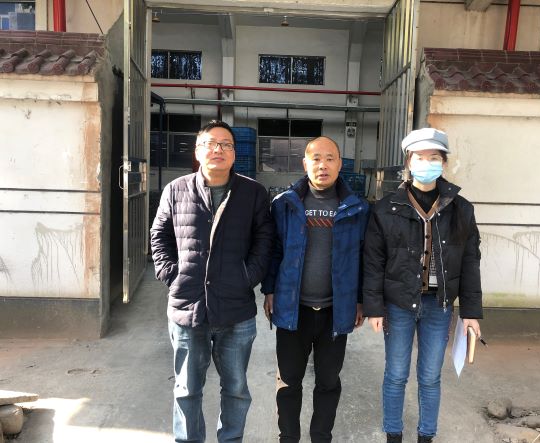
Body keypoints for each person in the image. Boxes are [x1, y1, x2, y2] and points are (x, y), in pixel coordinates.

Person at [150, 120, 274, 443]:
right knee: (187, 389)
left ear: (234, 154)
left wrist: (248, 277)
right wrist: (173, 275)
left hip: (236, 310)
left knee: (236, 389)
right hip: (187, 308)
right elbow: (159, 235)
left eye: (226, 144)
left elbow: (265, 240)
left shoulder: (253, 193)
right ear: (197, 151)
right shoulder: (176, 190)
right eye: (210, 143)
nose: (218, 149)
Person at [362, 128, 483, 443]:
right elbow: (373, 261)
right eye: (419, 157)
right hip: (398, 304)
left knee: (430, 377)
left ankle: (426, 436)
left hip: (438, 305)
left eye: (434, 157)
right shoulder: (385, 208)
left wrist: (471, 312)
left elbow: (470, 261)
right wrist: (374, 307)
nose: (426, 163)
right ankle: (393, 435)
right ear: (408, 161)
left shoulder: (461, 209)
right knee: (396, 375)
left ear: (444, 163)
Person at [261, 136, 370, 442]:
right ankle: (288, 438)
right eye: (316, 158)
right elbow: (274, 251)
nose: (323, 165)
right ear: (305, 164)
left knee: (328, 382)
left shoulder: (358, 208)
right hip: (293, 309)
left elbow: (365, 257)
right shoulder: (285, 205)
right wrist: (269, 290)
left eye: (330, 158)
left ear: (340, 164)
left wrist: (360, 299)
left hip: (336, 310)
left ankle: (321, 437)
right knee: (289, 381)